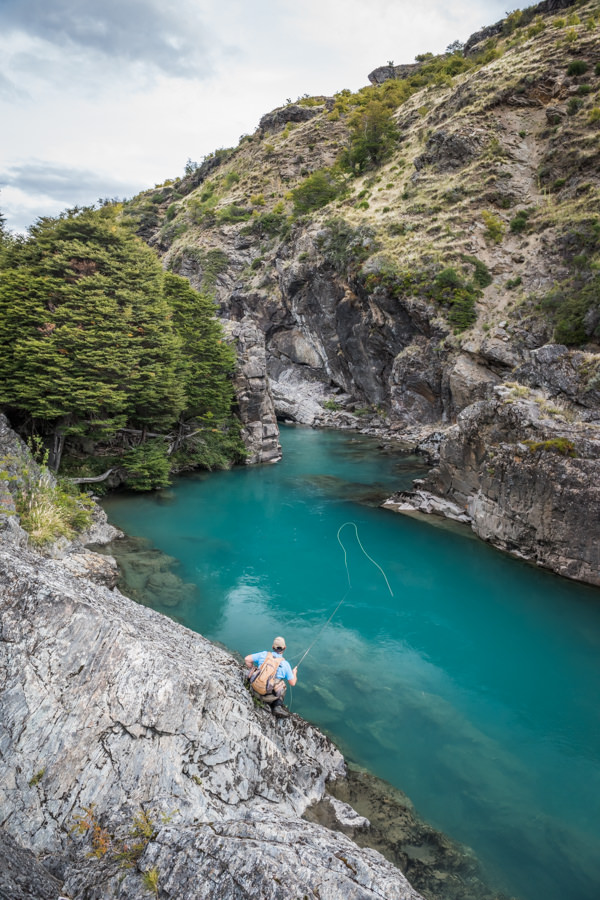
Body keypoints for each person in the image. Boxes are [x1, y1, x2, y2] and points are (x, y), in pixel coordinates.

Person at [245, 636, 298, 717]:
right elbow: (293, 683)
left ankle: (255, 689)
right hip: (268, 698)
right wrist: (294, 673)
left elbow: (247, 659)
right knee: (282, 685)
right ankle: (277, 706)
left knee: (257, 671)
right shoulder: (285, 664)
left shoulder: (264, 654)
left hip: (254, 689)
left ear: (273, 647)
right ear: (284, 648)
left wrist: (253, 669)